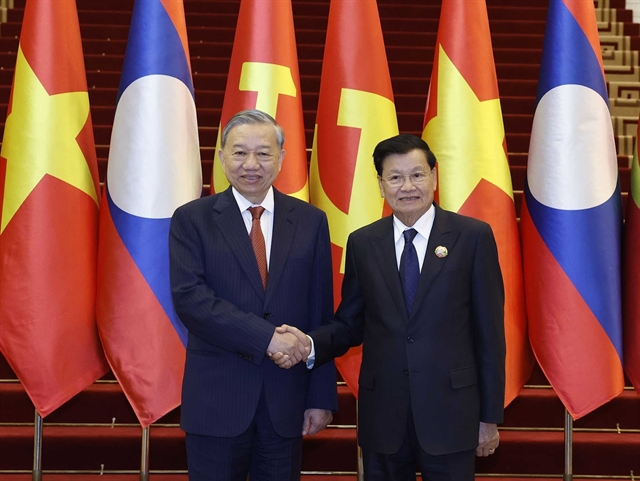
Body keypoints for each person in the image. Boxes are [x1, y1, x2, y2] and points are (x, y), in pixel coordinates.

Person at [274, 134, 506, 480]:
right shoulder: (364, 242)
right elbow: (350, 323)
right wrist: (308, 344)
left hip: (452, 414)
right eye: (395, 177)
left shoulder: (472, 237)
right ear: (381, 185)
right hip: (384, 416)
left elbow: (490, 334)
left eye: (417, 175)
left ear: (434, 177)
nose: (407, 186)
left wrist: (488, 417)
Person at [169, 109, 337, 481]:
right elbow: (191, 300)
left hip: (286, 402)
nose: (251, 164)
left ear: (282, 157)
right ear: (221, 157)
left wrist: (320, 397)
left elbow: (320, 311)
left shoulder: (310, 221)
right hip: (216, 401)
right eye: (240, 152)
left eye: (263, 153)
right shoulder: (192, 219)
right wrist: (267, 339)